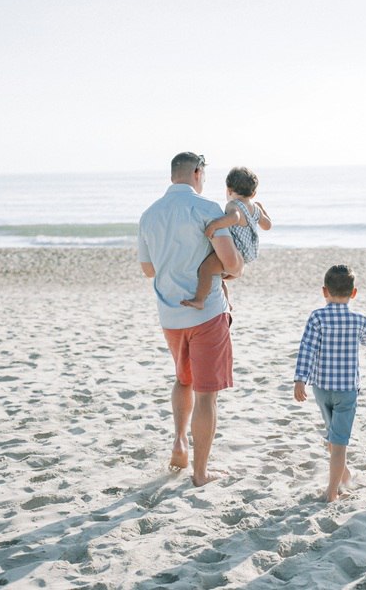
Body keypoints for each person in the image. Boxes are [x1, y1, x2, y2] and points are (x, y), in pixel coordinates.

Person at [138, 152, 244, 487]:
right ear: (197, 172)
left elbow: (148, 269)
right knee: (207, 394)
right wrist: (234, 266)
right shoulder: (207, 209)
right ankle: (200, 473)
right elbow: (232, 264)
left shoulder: (149, 214)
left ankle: (179, 442)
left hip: (170, 314)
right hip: (207, 313)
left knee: (183, 380)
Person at [293, 265, 366, 502]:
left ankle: (345, 475)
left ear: (325, 291)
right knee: (338, 442)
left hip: (321, 388)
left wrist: (300, 379)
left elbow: (307, 349)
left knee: (333, 436)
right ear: (354, 293)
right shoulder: (359, 320)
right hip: (347, 390)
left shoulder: (317, 317)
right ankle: (332, 492)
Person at [181, 166, 272, 309]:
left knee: (206, 269)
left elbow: (235, 217)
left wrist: (214, 225)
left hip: (235, 251)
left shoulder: (233, 205)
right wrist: (262, 211)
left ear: (229, 190)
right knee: (219, 278)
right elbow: (267, 225)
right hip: (248, 254)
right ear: (253, 193)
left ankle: (199, 299)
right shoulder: (256, 208)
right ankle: (227, 303)